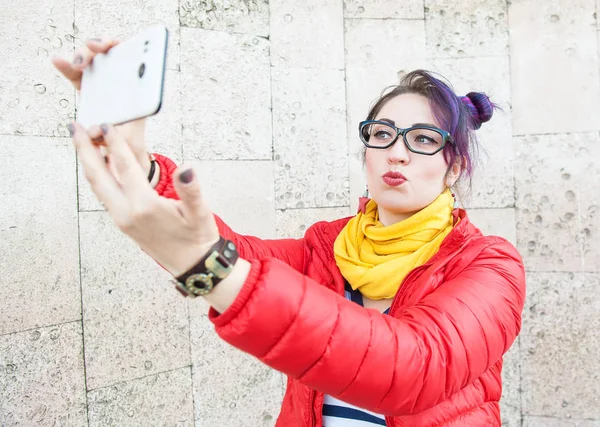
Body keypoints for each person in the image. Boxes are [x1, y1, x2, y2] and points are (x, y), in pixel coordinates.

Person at [52, 37, 526, 427]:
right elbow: (240, 257)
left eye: (423, 139)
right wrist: (147, 171)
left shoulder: (489, 265)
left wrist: (207, 269)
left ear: (453, 166)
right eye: (382, 133)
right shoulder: (329, 245)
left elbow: (411, 369)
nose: (396, 153)